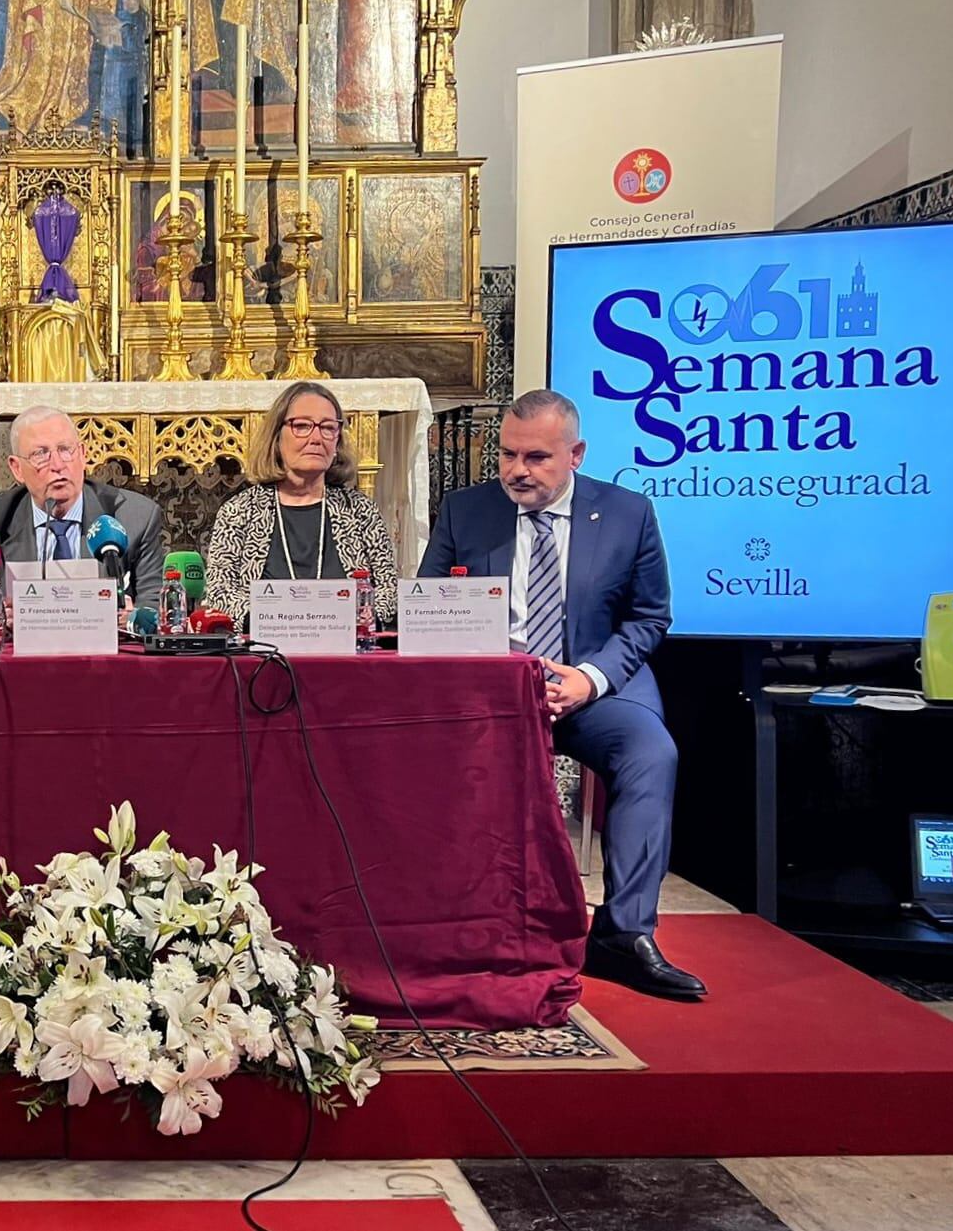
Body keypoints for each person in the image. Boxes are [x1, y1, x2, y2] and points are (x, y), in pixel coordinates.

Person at [419, 388, 699, 1000]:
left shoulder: (629, 513)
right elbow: (429, 608)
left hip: (593, 686)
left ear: (576, 454)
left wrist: (588, 678)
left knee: (653, 754)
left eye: (537, 458)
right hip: (492, 691)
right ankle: (450, 927)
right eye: (508, 455)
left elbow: (650, 619)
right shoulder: (466, 511)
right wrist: (496, 673)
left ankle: (624, 936)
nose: (517, 471)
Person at [203, 381, 398, 628]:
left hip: (347, 652)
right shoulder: (239, 511)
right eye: (302, 426)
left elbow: (388, 593)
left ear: (337, 443)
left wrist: (357, 620)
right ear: (276, 438)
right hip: (265, 653)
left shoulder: (361, 511)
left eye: (328, 427)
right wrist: (286, 623)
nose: (316, 438)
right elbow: (220, 595)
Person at [0, 404, 166, 615]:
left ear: (82, 455)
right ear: (17, 468)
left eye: (65, 450)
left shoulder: (134, 518)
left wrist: (133, 618)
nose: (57, 465)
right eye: (40, 454)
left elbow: (154, 601)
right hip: (22, 646)